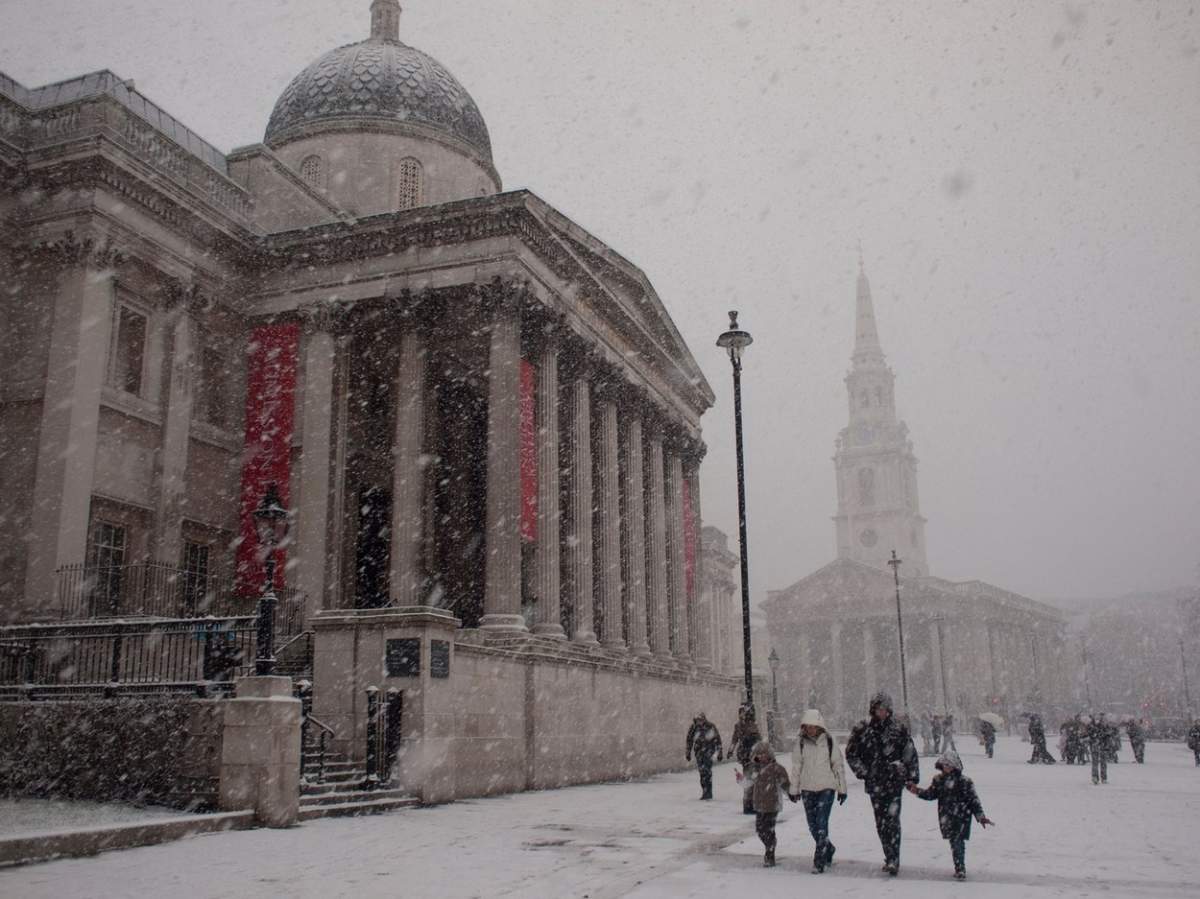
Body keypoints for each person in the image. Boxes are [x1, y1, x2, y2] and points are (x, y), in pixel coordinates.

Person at [845, 692, 920, 876]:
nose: (882, 713)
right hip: (875, 783)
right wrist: (864, 772)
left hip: (894, 782)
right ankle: (889, 854)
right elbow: (851, 753)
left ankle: (894, 858)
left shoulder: (897, 729)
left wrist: (911, 776)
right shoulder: (863, 729)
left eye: (885, 709)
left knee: (893, 821)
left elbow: (909, 752)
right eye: (879, 709)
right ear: (873, 710)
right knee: (881, 822)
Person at [907, 749, 994, 880]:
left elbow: (973, 801)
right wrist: (917, 791)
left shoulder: (965, 782)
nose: (946, 767)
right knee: (954, 842)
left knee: (957, 841)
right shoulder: (939, 780)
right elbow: (931, 794)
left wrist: (981, 817)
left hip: (962, 816)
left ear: (955, 765)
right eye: (944, 765)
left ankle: (960, 868)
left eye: (949, 765)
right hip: (946, 816)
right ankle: (959, 867)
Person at [788, 708, 848, 874]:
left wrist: (842, 789)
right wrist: (794, 789)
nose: (810, 729)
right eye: (807, 726)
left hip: (826, 788)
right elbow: (796, 767)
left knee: (821, 823)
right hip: (807, 789)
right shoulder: (800, 743)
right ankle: (828, 847)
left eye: (813, 726)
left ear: (819, 726)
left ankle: (819, 859)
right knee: (813, 825)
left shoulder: (829, 741)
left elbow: (837, 765)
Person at [749, 741, 791, 867]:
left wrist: (792, 793)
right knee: (760, 829)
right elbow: (748, 784)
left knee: (768, 829)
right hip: (759, 805)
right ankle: (770, 844)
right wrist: (740, 779)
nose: (761, 757)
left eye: (764, 754)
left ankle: (770, 853)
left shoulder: (777, 768)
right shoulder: (755, 769)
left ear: (770, 755)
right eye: (759, 754)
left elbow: (785, 785)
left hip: (773, 805)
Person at [730, 705, 762, 814]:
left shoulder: (752, 725)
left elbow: (759, 741)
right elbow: (734, 739)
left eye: (743, 713)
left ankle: (751, 805)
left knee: (751, 780)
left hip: (753, 756)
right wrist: (730, 750)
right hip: (745, 756)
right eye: (740, 713)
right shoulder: (738, 726)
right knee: (748, 780)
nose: (741, 715)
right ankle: (748, 805)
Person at [684, 713, 723, 800]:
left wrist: (719, 752)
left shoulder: (710, 727)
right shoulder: (694, 728)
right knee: (702, 772)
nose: (699, 722)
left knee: (707, 771)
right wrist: (688, 752)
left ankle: (708, 792)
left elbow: (717, 740)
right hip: (699, 753)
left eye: (700, 720)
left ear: (704, 720)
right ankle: (705, 791)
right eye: (698, 720)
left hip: (709, 752)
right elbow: (689, 740)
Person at [1086, 714, 1108, 784]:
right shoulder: (1102, 726)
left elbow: (1088, 735)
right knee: (1100, 763)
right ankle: (1100, 777)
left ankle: (1097, 777)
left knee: (1098, 762)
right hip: (1100, 746)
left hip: (1098, 745)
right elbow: (1107, 735)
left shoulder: (1092, 726)